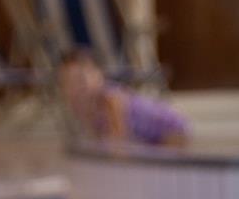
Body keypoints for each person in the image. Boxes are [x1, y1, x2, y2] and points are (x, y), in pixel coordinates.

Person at [59, 50, 188, 148]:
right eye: (68, 82)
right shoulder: (84, 107)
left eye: (81, 80)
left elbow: (119, 143)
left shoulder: (110, 98)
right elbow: (97, 139)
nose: (76, 88)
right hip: (150, 137)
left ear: (99, 76)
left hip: (172, 129)